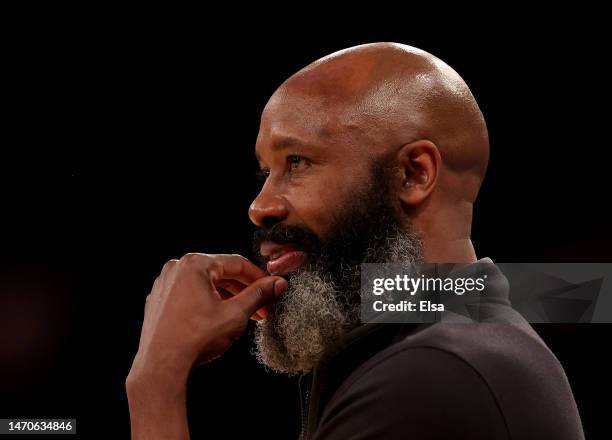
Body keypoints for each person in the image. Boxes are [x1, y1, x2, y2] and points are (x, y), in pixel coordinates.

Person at [125, 42, 585, 439]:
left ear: (413, 174)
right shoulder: (462, 328)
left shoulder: (433, 374)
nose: (259, 206)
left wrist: (156, 381)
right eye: (267, 172)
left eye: (298, 162)